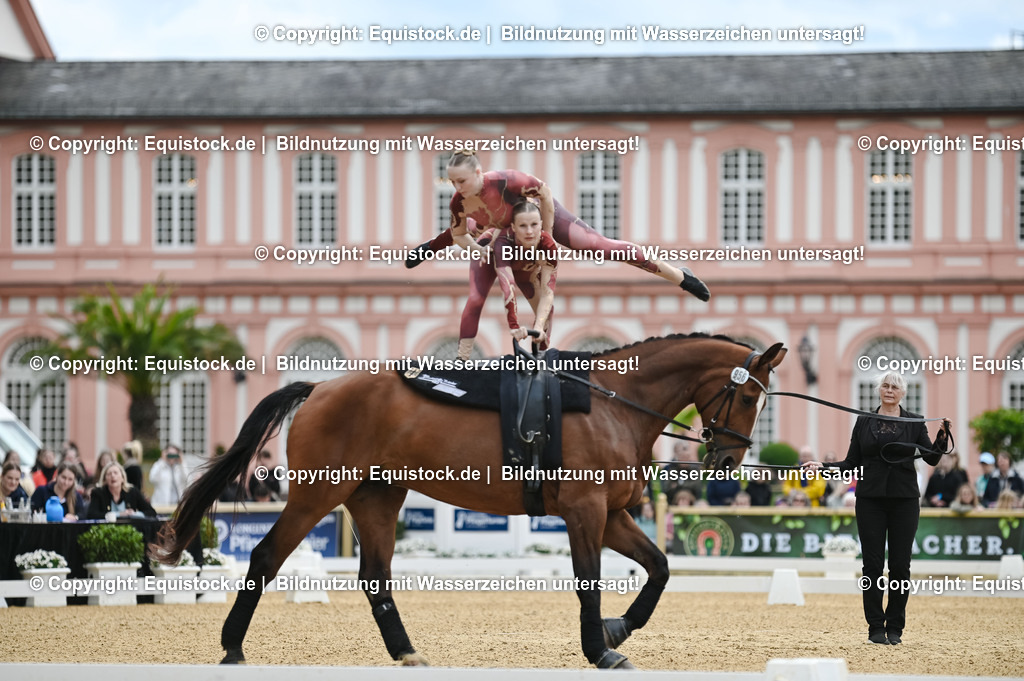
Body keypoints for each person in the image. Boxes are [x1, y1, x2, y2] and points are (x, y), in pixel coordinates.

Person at [406, 150, 711, 299]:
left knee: (599, 247)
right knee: (472, 226)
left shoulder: (507, 180)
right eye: (452, 182)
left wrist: (546, 236)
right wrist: (474, 248)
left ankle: (679, 276)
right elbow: (459, 233)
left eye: (462, 180)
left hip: (538, 218)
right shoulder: (459, 201)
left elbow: (547, 196)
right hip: (504, 228)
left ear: (478, 173)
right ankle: (427, 248)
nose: (456, 187)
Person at [806, 371, 949, 646]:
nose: (889, 390)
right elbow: (850, 463)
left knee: (900, 566)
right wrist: (822, 467)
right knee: (872, 565)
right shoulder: (864, 421)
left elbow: (931, 459)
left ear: (903, 393)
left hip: (904, 501)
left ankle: (895, 627)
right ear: (878, 390)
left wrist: (942, 436)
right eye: (885, 385)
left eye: (895, 386)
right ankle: (875, 626)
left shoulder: (914, 422)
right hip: (870, 500)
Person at [454, 200, 559, 358]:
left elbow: (547, 293)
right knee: (476, 299)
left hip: (524, 271)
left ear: (541, 225)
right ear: (514, 227)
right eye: (523, 226)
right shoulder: (503, 240)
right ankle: (462, 358)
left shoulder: (549, 246)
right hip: (489, 255)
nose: (529, 231)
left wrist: (538, 327)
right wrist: (514, 326)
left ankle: (540, 356)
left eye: (534, 225)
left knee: (547, 312)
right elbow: (508, 286)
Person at [87, 461, 156, 519]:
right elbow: (91, 514)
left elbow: (151, 512)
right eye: (109, 474)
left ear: (123, 478)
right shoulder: (98, 493)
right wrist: (118, 514)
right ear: (105, 480)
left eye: (115, 473)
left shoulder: (132, 491)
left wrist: (134, 514)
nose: (113, 476)